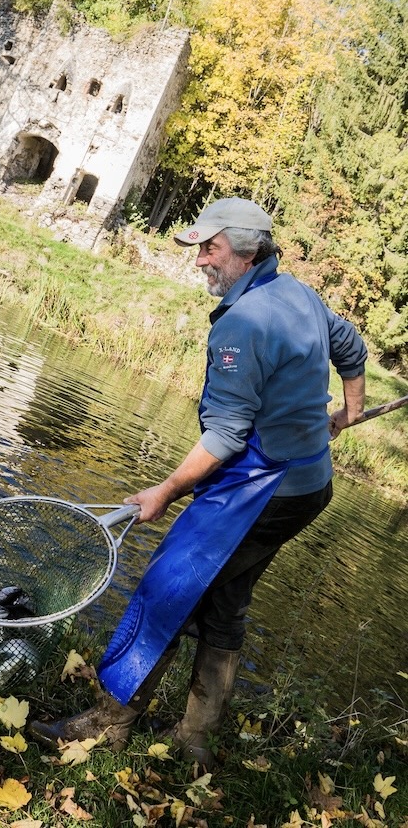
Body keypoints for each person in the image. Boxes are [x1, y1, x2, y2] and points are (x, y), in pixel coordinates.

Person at [29, 197, 367, 768]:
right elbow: (350, 346)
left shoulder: (241, 324)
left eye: (209, 248)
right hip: (310, 486)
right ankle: (194, 739)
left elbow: (228, 436)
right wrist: (349, 411)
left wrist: (163, 491)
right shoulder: (300, 296)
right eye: (199, 248)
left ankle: (109, 724)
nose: (198, 261)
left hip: (263, 491)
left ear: (247, 249)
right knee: (227, 600)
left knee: (168, 592)